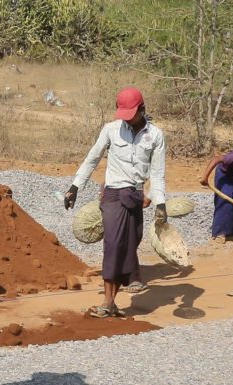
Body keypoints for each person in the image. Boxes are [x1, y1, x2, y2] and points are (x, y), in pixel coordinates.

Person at [64, 86, 167, 317]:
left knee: (128, 248)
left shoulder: (156, 136)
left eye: (132, 116)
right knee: (112, 245)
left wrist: (159, 203)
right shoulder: (110, 130)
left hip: (136, 196)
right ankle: (106, 301)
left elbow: (158, 174)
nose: (127, 122)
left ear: (142, 109)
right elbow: (92, 159)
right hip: (112, 195)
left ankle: (113, 301)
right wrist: (74, 187)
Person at [198, 146, 233, 243]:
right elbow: (216, 159)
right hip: (224, 175)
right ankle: (220, 233)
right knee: (225, 202)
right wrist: (205, 176)